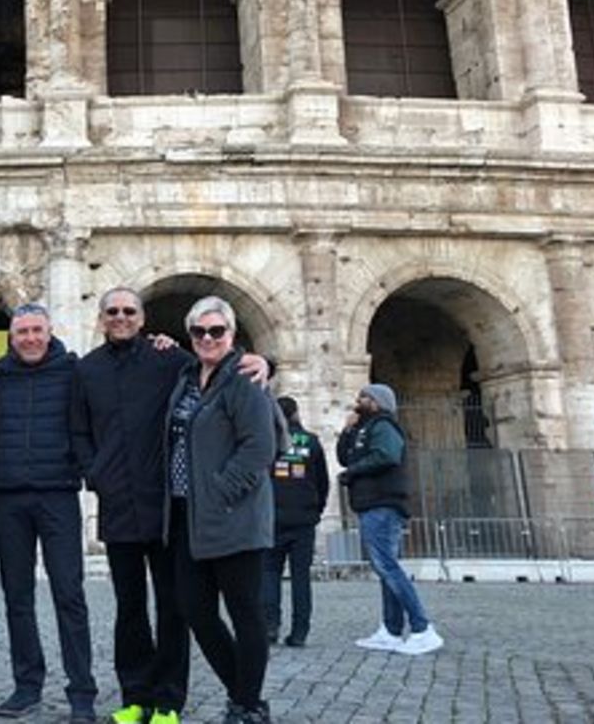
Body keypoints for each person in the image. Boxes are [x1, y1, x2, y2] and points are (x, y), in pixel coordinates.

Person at [71, 287, 190, 724]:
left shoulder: (169, 359)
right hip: (117, 501)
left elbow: (216, 369)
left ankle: (168, 700)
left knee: (172, 605)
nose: (120, 317)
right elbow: (78, 431)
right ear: (102, 319)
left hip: (164, 506)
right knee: (130, 607)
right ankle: (135, 695)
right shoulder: (87, 370)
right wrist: (95, 473)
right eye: (112, 311)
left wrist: (262, 363)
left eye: (129, 311)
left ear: (142, 319)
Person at [164, 296, 276, 724]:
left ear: (232, 335)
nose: (208, 338)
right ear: (189, 336)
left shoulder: (244, 380)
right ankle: (244, 694)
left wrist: (220, 489)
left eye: (217, 331)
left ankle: (245, 705)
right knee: (195, 609)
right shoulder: (187, 378)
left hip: (235, 514)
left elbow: (259, 447)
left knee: (245, 611)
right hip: (189, 518)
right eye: (199, 331)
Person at [0, 303, 96, 722]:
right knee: (17, 596)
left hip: (57, 494)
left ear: (49, 332)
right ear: (11, 337)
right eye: (22, 333)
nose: (30, 338)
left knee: (69, 594)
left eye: (37, 330)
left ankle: (82, 691)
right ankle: (26, 684)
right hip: (9, 496)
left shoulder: (74, 371)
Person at [337, 383, 443, 656]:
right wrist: (347, 431)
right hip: (372, 503)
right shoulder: (364, 428)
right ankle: (391, 630)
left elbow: (387, 455)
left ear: (377, 402)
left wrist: (354, 472)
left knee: (387, 566)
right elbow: (343, 457)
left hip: (383, 503)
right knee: (385, 568)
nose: (358, 399)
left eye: (364, 396)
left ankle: (422, 628)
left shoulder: (384, 425)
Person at [261, 396, 329, 648]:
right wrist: (317, 510)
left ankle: (270, 626)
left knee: (269, 573)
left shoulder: (266, 440)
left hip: (272, 516)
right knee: (301, 577)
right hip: (304, 517)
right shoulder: (311, 441)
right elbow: (322, 481)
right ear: (297, 413)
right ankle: (300, 631)